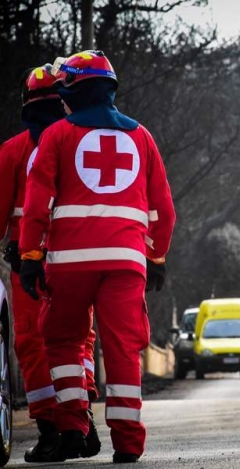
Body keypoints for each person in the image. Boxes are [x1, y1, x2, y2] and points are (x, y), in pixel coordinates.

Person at [19, 50, 176, 463]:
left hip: (69, 261)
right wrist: (156, 257)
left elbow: (37, 204)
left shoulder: (57, 135)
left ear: (70, 92)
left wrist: (31, 254)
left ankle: (72, 428)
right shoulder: (141, 136)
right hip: (126, 261)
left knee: (64, 340)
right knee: (123, 348)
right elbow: (163, 210)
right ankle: (127, 444)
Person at [0, 65, 102, 462]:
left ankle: (49, 431)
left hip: (28, 263)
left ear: (25, 104)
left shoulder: (11, 151)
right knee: (78, 339)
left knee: (33, 342)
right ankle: (81, 420)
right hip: (74, 258)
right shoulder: (84, 142)